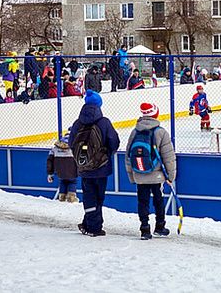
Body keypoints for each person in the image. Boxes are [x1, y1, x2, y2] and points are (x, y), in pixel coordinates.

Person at [69, 90, 120, 237]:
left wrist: (82, 159)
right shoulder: (104, 123)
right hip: (101, 167)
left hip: (84, 167)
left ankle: (89, 223)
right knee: (98, 196)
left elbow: (72, 143)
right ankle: (94, 227)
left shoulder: (77, 123)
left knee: (89, 195)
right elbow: (114, 141)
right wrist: (105, 155)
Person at [126, 103, 176, 239]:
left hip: (139, 175)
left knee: (142, 201)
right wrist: (171, 176)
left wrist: (132, 176)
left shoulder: (135, 131)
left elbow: (128, 156)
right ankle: (160, 226)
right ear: (155, 114)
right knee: (158, 200)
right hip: (157, 176)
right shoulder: (161, 132)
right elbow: (168, 157)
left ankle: (144, 229)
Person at [47, 138, 79, 203]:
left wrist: (50, 173)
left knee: (63, 181)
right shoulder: (75, 147)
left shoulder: (54, 148)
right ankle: (71, 197)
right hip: (72, 171)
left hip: (60, 172)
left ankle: (62, 197)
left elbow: (50, 161)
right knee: (72, 182)